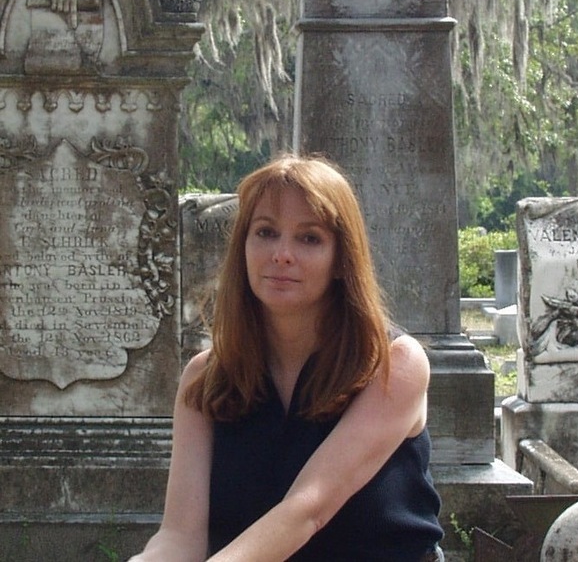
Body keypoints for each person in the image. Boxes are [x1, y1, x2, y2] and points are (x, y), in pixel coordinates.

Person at [129, 153, 444, 562]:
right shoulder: (204, 379)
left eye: (309, 238)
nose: (281, 254)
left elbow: (308, 509)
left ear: (341, 259)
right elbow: (179, 537)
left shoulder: (393, 366)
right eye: (266, 232)